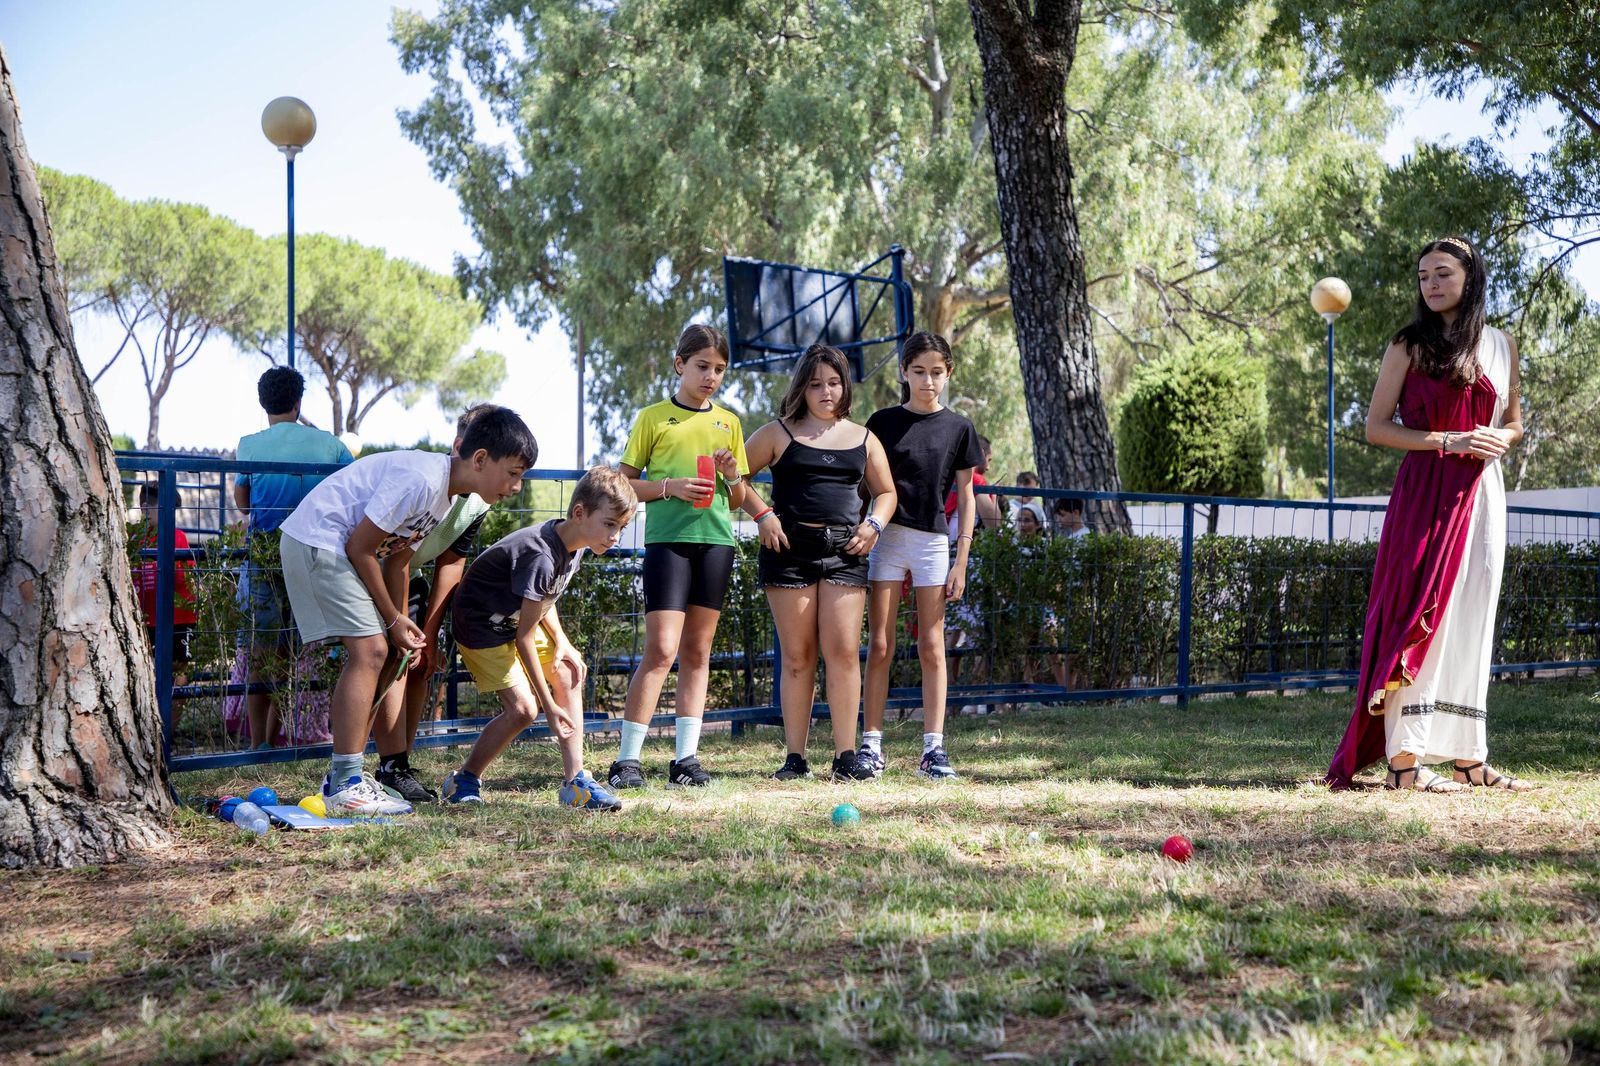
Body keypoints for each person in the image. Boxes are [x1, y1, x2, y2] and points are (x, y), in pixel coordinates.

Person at [1327, 236, 1531, 793]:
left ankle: (1469, 756)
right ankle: (1405, 762)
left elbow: (1513, 422)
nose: (1432, 284)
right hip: (1426, 489)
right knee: (1422, 611)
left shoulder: (1500, 346)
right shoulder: (1408, 345)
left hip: (1483, 493)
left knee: (1472, 615)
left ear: (1470, 278)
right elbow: (1377, 427)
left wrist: (1497, 439)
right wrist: (1447, 439)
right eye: (1423, 277)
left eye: (1442, 273)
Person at [277, 407, 537, 815]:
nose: (516, 486)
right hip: (318, 541)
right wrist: (393, 619)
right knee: (371, 652)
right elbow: (360, 548)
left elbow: (396, 560)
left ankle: (344, 778)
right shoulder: (421, 479)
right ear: (481, 459)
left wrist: (403, 626)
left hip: (335, 547)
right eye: (514, 473)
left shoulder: (446, 495)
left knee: (380, 652)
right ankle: (345, 784)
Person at [741, 343, 897, 781]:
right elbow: (735, 478)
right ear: (802, 388)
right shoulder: (776, 433)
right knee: (797, 656)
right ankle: (795, 758)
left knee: (844, 652)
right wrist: (764, 515)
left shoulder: (864, 437)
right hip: (788, 553)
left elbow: (886, 493)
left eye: (833, 382)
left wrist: (874, 527)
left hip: (845, 554)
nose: (825, 391)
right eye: (815, 384)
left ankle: (847, 757)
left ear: (844, 386)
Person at [441, 467, 637, 809]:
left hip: (513, 621)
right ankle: (464, 779)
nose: (615, 536)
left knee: (568, 669)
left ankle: (576, 782)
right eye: (609, 524)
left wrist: (563, 642)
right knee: (523, 710)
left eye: (621, 528)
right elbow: (524, 639)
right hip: (481, 628)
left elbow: (546, 596)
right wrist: (549, 706)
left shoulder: (575, 544)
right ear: (579, 513)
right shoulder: (542, 555)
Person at [608, 325, 749, 790]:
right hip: (668, 543)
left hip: (717, 543)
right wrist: (670, 487)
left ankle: (685, 760)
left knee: (697, 651)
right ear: (679, 364)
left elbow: (736, 498)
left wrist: (731, 475)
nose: (711, 376)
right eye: (702, 366)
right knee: (662, 648)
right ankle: (627, 760)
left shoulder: (729, 422)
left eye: (719, 369)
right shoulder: (652, 417)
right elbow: (622, 484)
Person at [860, 332, 984, 780]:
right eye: (918, 372)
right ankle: (871, 746)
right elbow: (865, 484)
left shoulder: (959, 428)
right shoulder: (882, 422)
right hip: (886, 537)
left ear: (948, 374)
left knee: (932, 646)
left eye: (936, 373)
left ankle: (934, 749)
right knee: (879, 645)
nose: (927, 381)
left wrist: (961, 559)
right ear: (903, 372)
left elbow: (967, 497)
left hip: (933, 542)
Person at [369, 404, 502, 804]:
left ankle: (401, 762)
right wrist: (400, 624)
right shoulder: (431, 481)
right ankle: (389, 765)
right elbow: (397, 556)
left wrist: (429, 630)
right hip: (381, 567)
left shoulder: (480, 500)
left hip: (415, 571)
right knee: (395, 658)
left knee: (421, 662)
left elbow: (453, 560)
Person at [233, 366, 354, 748]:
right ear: (299, 402)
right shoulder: (332, 445)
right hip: (314, 558)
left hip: (264, 558)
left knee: (261, 654)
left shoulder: (249, 444)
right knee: (300, 653)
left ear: (262, 402)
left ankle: (259, 745)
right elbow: (349, 495)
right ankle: (288, 737)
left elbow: (242, 503)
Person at [132, 483, 199, 689]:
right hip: (148, 620)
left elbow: (190, 579)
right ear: (145, 509)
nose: (172, 517)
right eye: (167, 510)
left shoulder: (177, 537)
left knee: (179, 673)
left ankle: (168, 722)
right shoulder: (135, 540)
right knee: (152, 674)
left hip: (179, 618)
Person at [945, 434, 1003, 543]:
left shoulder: (948, 475)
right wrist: (995, 495)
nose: (988, 467)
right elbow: (993, 524)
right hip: (956, 544)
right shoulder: (975, 480)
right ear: (980, 453)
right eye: (988, 460)